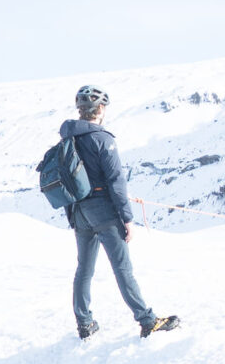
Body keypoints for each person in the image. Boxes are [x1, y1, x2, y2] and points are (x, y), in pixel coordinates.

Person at [60, 86, 179, 338]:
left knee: (84, 269)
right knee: (122, 269)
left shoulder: (69, 138)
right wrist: (127, 218)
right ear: (100, 109)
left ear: (80, 111)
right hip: (103, 210)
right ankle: (147, 321)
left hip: (78, 211)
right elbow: (116, 181)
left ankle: (85, 323)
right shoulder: (103, 139)